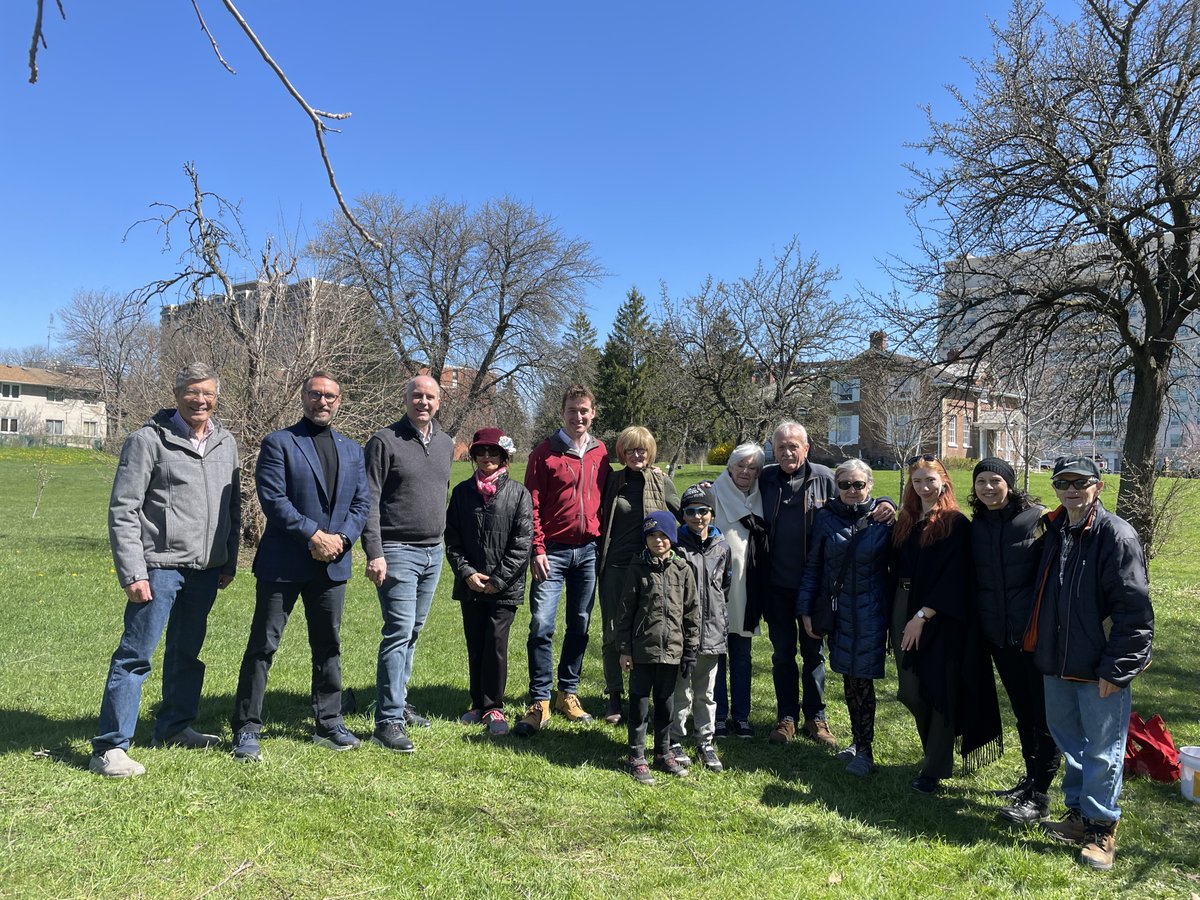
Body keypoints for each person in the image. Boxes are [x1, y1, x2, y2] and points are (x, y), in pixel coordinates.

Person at [91, 363, 241, 778]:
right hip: (158, 567)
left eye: (207, 393)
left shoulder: (225, 442)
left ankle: (174, 727)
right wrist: (132, 571)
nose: (200, 400)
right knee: (135, 656)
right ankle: (110, 747)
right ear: (177, 395)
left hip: (205, 570)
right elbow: (124, 509)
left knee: (186, 655)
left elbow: (233, 505)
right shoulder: (147, 440)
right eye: (192, 392)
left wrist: (228, 558)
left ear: (216, 397)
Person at [230, 372, 370, 761]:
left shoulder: (353, 450)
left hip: (333, 565)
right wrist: (314, 536)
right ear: (302, 397)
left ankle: (328, 724)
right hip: (284, 563)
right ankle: (246, 729)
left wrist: (340, 540)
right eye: (315, 394)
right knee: (263, 645)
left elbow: (361, 504)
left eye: (330, 396)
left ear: (340, 401)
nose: (321, 401)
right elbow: (273, 500)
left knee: (329, 646)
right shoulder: (279, 443)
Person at [1027, 456, 1153, 871]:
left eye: (1080, 482)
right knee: (1071, 744)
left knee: (1103, 748)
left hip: (1100, 664)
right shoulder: (1056, 529)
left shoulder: (1115, 535)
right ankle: (1079, 816)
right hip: (1058, 662)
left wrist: (1118, 669)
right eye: (1063, 481)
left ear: (1097, 486)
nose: (1071, 489)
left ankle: (1102, 828)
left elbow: (1134, 611)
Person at [890, 454, 1002, 794]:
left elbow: (956, 577)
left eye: (930, 480)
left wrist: (923, 616)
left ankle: (935, 768)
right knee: (911, 691)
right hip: (901, 607)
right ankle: (934, 753)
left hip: (938, 615)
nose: (924, 486)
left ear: (944, 482)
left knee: (938, 687)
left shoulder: (955, 523)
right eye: (918, 480)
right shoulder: (906, 519)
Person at [362, 375, 455, 753]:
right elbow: (368, 499)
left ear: (438, 401)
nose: (423, 402)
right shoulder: (385, 441)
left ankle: (398, 703)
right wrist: (374, 552)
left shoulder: (447, 443)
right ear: (406, 398)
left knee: (413, 631)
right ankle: (386, 721)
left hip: (433, 551)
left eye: (430, 396)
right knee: (398, 631)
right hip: (397, 550)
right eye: (417, 395)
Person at [516, 384, 612, 736]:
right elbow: (532, 504)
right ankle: (539, 698)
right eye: (572, 411)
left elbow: (615, 490)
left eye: (584, 410)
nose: (579, 417)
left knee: (580, 624)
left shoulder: (601, 453)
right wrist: (536, 549)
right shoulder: (545, 452)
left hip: (588, 551)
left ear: (594, 412)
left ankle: (567, 693)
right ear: (563, 413)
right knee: (542, 624)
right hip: (552, 552)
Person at [969, 457, 1060, 823]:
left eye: (995, 481)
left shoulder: (1037, 520)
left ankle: (1039, 796)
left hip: (1033, 635)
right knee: (1023, 712)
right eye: (981, 482)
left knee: (1043, 716)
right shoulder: (976, 526)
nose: (988, 488)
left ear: (1009, 483)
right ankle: (1029, 781)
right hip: (998, 636)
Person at [797, 459, 892, 776]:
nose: (852, 491)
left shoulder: (883, 520)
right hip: (838, 613)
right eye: (845, 485)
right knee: (850, 680)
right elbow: (813, 567)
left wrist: (891, 506)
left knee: (863, 681)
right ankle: (857, 741)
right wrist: (805, 609)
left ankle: (865, 750)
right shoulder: (826, 519)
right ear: (836, 487)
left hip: (871, 612)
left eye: (859, 485)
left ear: (870, 485)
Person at [444, 428, 533, 737]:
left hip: (503, 588)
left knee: (495, 643)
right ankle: (476, 703)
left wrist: (498, 579)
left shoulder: (519, 494)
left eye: (493, 452)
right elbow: (452, 539)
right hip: (471, 585)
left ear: (503, 456)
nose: (486, 457)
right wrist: (467, 573)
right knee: (476, 644)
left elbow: (522, 544)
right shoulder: (462, 492)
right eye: (481, 452)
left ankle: (494, 706)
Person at [596, 425, 679, 726]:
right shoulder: (613, 481)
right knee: (612, 632)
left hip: (650, 570)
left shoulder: (661, 480)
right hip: (616, 568)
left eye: (642, 449)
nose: (636, 455)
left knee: (647, 632)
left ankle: (642, 695)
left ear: (651, 452)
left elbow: (681, 517)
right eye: (630, 449)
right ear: (622, 452)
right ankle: (614, 697)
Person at [615, 511, 699, 784]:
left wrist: (690, 651)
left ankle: (662, 752)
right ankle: (636, 755)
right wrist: (625, 649)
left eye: (663, 535)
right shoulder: (637, 567)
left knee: (665, 704)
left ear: (672, 538)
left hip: (673, 650)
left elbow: (692, 613)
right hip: (643, 650)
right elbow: (625, 611)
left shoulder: (683, 569)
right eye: (652, 535)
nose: (658, 540)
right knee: (640, 704)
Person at [667, 484, 731, 774]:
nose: (697, 517)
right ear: (683, 516)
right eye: (690, 512)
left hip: (713, 630)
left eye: (703, 511)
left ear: (712, 514)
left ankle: (705, 740)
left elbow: (724, 586)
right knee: (681, 690)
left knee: (707, 692)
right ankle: (675, 738)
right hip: (681, 631)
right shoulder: (675, 547)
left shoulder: (722, 547)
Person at [710, 442, 765, 739]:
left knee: (742, 655)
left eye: (752, 467)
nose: (745, 471)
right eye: (741, 465)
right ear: (730, 466)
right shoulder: (714, 492)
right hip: (718, 588)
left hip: (748, 591)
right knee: (716, 654)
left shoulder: (760, 496)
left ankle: (741, 716)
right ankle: (718, 716)